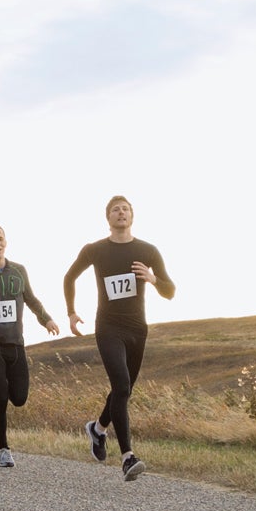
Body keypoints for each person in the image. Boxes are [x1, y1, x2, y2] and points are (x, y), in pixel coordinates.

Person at [64, 195, 175, 482]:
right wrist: (72, 313)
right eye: (115, 209)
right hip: (109, 327)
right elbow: (69, 278)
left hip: (138, 329)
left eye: (125, 209)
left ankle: (98, 429)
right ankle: (128, 457)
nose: (121, 212)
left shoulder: (148, 250)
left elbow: (170, 290)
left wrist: (152, 279)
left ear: (132, 216)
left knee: (123, 391)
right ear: (108, 218)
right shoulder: (95, 250)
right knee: (122, 385)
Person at [0, 223, 59, 467]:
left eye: (0, 239)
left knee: (20, 398)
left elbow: (31, 299)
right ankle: (3, 449)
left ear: (6, 242)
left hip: (16, 344)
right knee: (3, 398)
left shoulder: (19, 271)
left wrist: (46, 318)